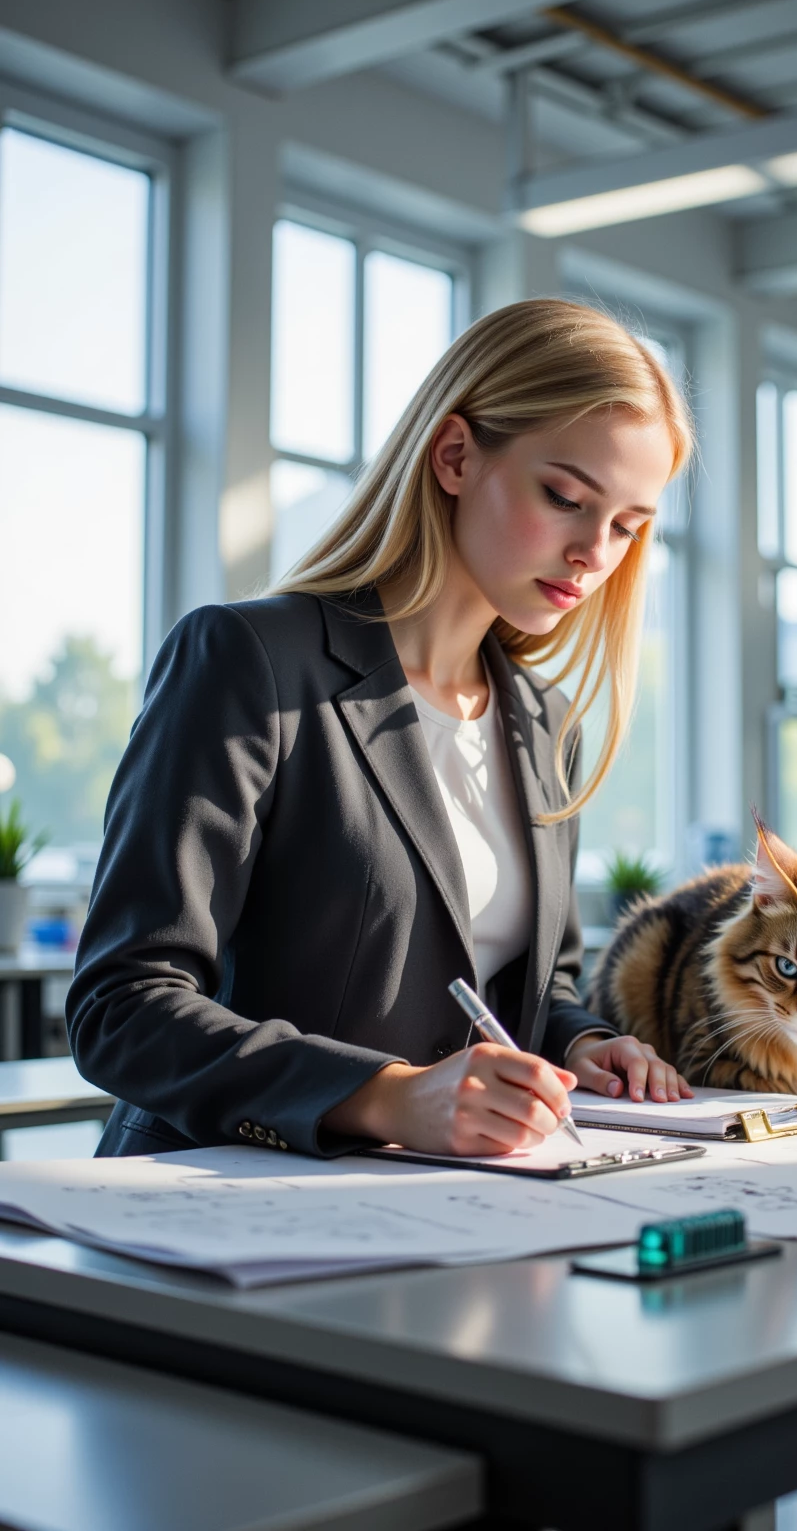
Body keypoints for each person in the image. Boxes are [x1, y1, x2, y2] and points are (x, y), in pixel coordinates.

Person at [68, 298, 695, 1160]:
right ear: (455, 456)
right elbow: (123, 1005)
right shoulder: (250, 659)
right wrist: (385, 1097)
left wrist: (579, 1046)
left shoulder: (543, 728)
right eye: (565, 498)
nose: (595, 551)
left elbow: (527, 988)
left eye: (628, 526)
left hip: (452, 1213)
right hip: (228, 1204)